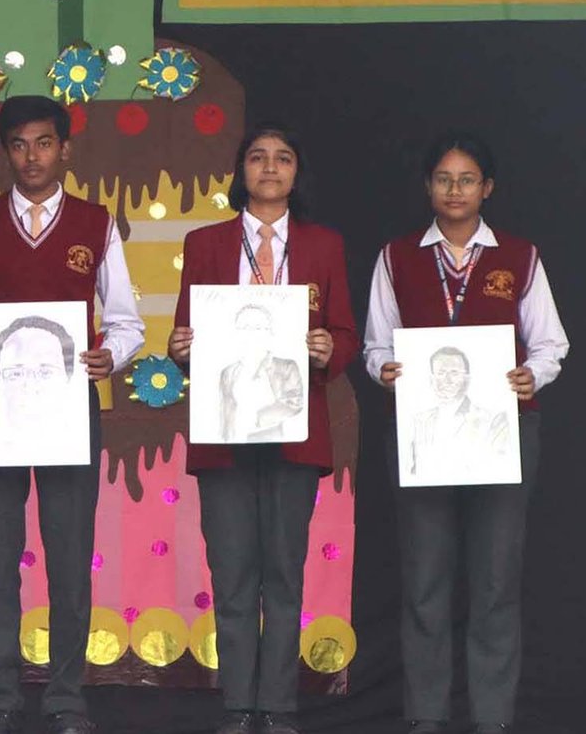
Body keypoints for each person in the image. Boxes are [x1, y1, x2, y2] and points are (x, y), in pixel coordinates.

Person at [0, 95, 145, 734]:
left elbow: (126, 320)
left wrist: (112, 355)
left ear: (66, 149)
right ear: (6, 152)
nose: (32, 156)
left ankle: (66, 699)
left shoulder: (96, 223)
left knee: (69, 551)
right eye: (20, 144)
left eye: (45, 143)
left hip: (69, 406)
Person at [363, 132, 568, 734]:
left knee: (496, 580)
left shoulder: (519, 256)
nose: (455, 189)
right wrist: (385, 370)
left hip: (503, 432)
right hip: (421, 435)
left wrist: (533, 375)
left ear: (487, 188)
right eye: (444, 178)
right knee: (425, 581)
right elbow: (376, 344)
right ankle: (426, 718)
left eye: (468, 179)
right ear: (428, 186)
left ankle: (492, 719)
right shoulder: (397, 256)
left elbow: (551, 343)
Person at [168, 124, 359, 734]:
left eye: (283, 158)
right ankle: (237, 706)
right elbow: (184, 334)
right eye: (257, 157)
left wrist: (330, 348)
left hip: (294, 427)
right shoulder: (205, 242)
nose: (270, 167)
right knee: (231, 573)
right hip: (223, 430)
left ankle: (276, 707)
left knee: (282, 571)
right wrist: (180, 347)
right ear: (241, 170)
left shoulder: (324, 244)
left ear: (297, 172)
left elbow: (346, 333)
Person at [407, 346, 511, 479]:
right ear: (431, 379)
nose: (447, 380)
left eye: (454, 373)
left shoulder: (493, 420)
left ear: (467, 379)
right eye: (441, 373)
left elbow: (498, 469)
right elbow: (413, 471)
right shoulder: (419, 421)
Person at [217, 304, 305, 443]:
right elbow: (225, 412)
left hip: (272, 442)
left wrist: (257, 418)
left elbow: (294, 403)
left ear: (269, 332)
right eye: (244, 327)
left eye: (258, 327)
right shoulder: (228, 373)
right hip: (232, 444)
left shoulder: (286, 367)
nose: (250, 333)